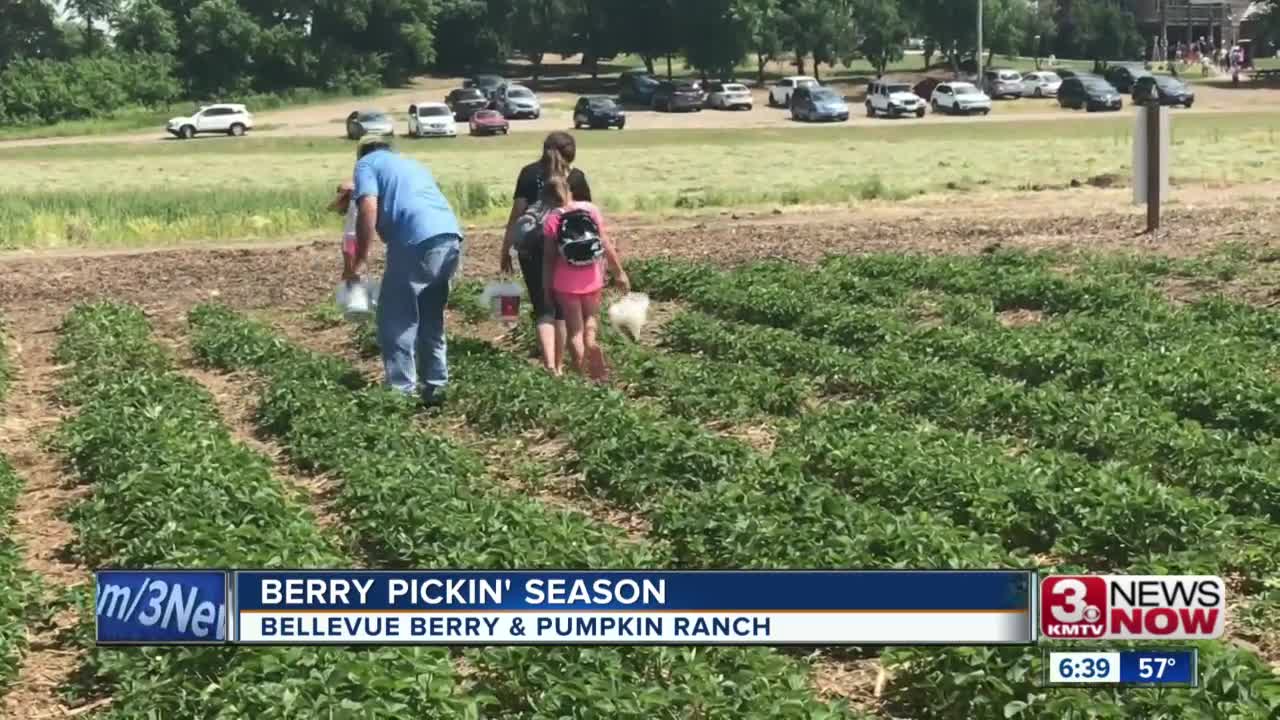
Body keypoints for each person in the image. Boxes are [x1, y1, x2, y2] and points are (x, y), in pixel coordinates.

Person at [346, 136, 463, 406]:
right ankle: (437, 388)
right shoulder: (410, 164)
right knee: (430, 317)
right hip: (450, 238)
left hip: (415, 241)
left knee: (395, 319)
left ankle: (401, 393)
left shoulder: (365, 164)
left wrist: (361, 258)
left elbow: (368, 207)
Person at [500, 132, 593, 373]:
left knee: (543, 309)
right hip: (564, 249)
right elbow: (587, 216)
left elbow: (516, 214)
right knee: (561, 310)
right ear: (571, 152)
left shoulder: (529, 174)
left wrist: (505, 248)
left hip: (531, 248)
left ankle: (551, 367)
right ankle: (561, 364)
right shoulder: (576, 177)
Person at [539, 175, 628, 381]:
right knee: (591, 319)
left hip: (565, 283)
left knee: (574, 331)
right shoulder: (590, 209)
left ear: (548, 199)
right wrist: (619, 272)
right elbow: (605, 244)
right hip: (593, 277)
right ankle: (592, 344)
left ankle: (583, 375)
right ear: (570, 190)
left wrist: (546, 289)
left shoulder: (552, 219)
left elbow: (548, 260)